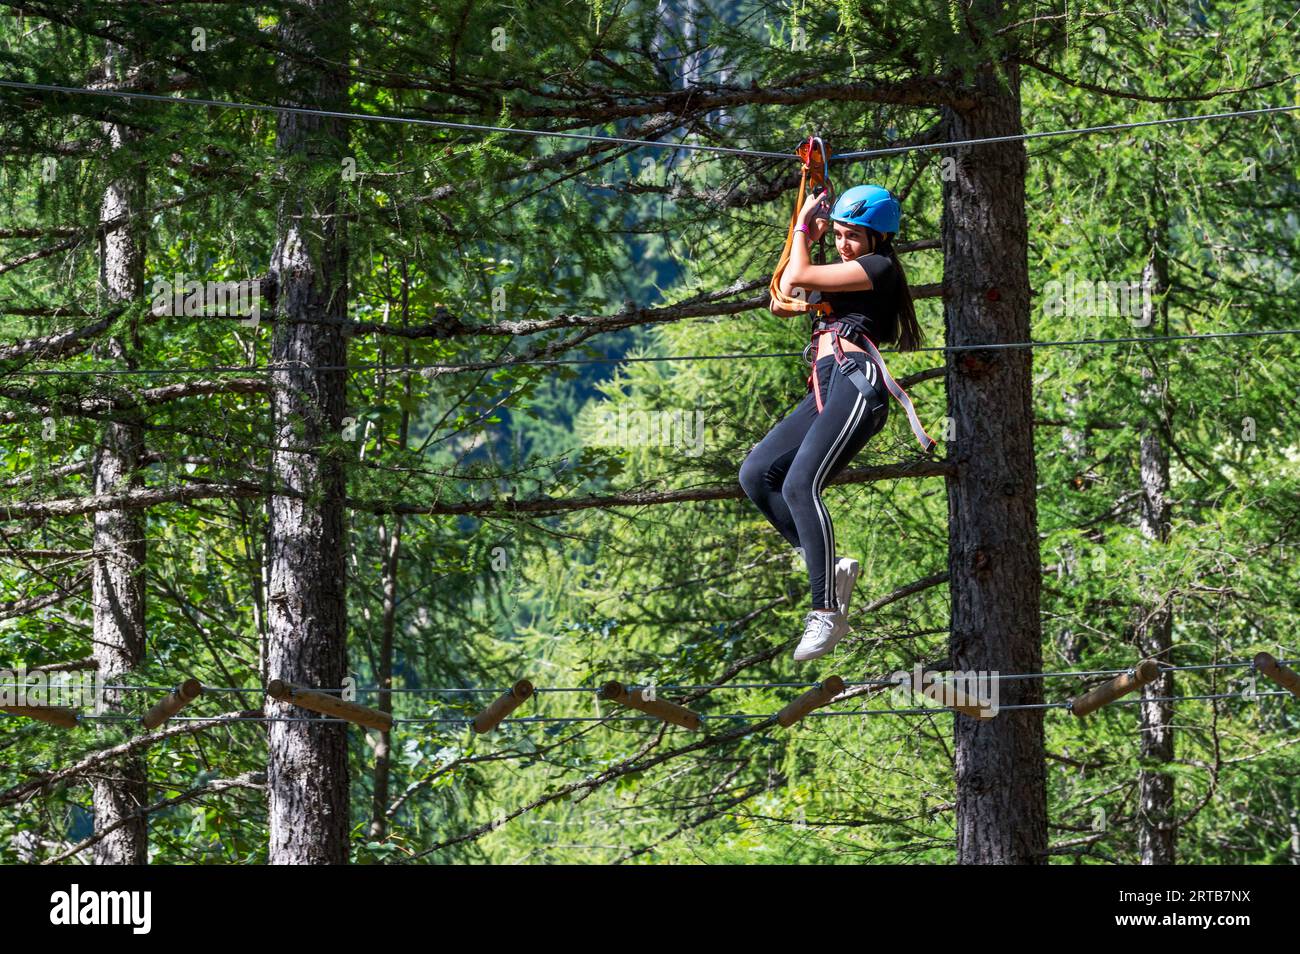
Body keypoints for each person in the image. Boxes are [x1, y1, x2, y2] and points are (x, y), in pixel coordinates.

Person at [740, 183, 928, 662]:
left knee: (801, 483)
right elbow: (784, 293)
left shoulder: (878, 268)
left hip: (856, 380)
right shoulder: (848, 271)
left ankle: (826, 612)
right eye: (840, 235)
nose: (845, 244)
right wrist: (806, 232)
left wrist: (806, 225)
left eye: (854, 237)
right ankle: (829, 563)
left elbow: (799, 273)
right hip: (825, 386)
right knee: (757, 474)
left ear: (879, 240)